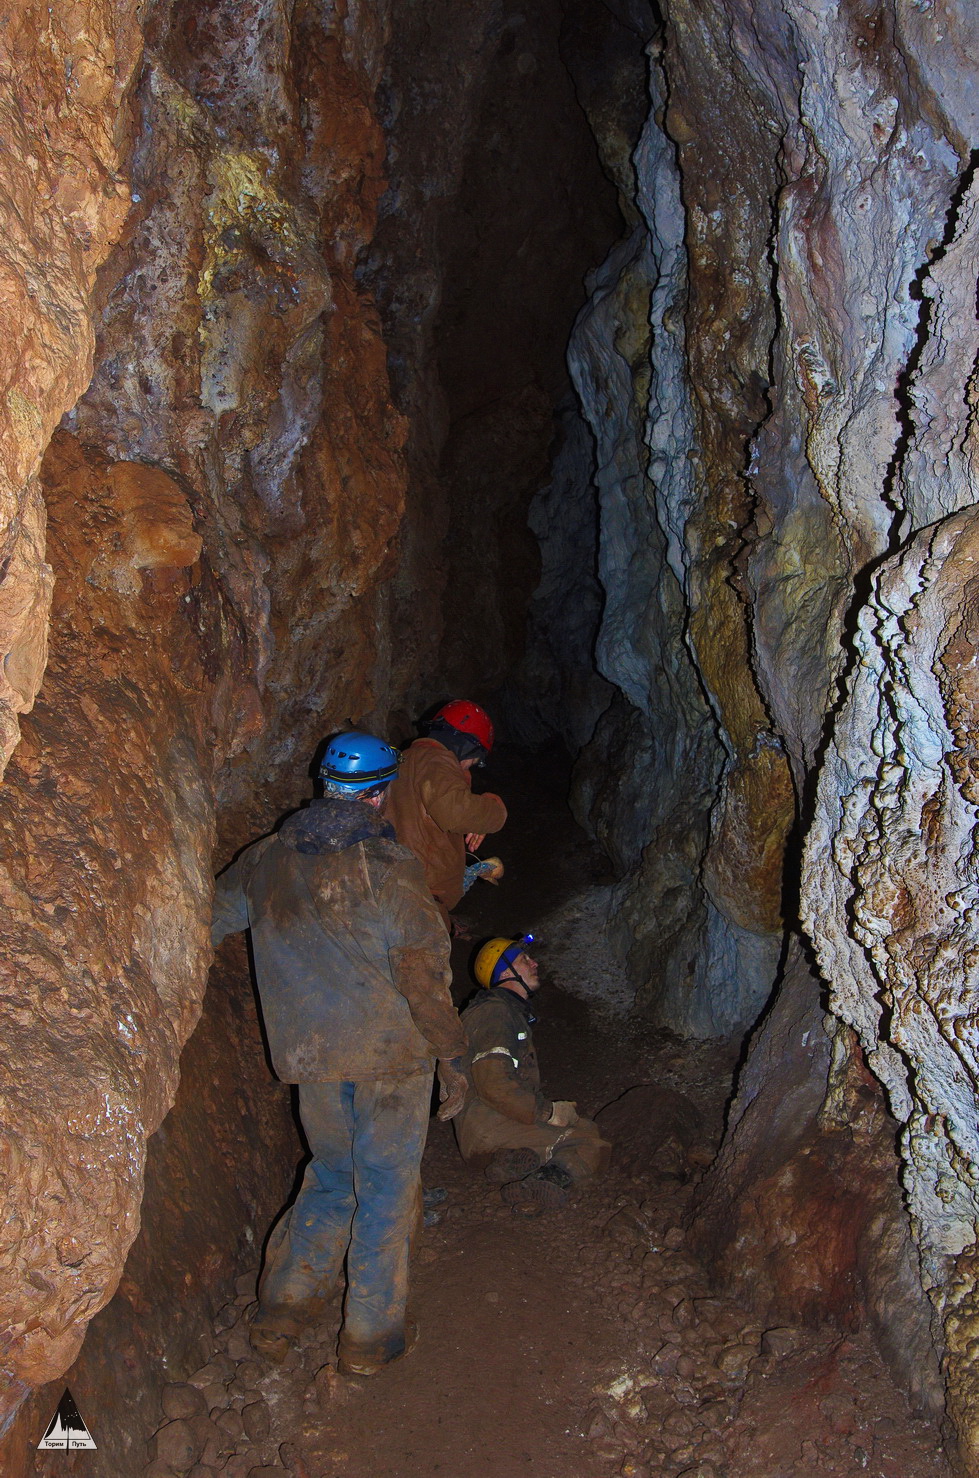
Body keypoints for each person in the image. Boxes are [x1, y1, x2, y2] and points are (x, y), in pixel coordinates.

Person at [211, 731, 469, 1375]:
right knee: (384, 1189)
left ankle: (283, 1310)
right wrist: (453, 1056)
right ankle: (369, 1337)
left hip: (312, 1059)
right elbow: (422, 975)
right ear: (380, 795)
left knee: (331, 1174)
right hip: (391, 1059)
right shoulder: (389, 868)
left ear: (325, 783)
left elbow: (208, 917)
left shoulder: (267, 857)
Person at [453, 934, 611, 1209]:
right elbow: (494, 1084)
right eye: (524, 959)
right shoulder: (495, 1013)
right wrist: (547, 1112)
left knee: (581, 1126)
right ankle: (541, 1185)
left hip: (488, 1123)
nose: (534, 962)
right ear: (504, 971)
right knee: (588, 1141)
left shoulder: (503, 1011)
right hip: (489, 1125)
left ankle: (516, 1162)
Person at [384, 699, 507, 929]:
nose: (469, 768)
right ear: (467, 747)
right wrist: (495, 807)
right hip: (420, 903)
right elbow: (455, 812)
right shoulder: (437, 759)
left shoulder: (401, 760)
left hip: (398, 895)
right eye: (473, 762)